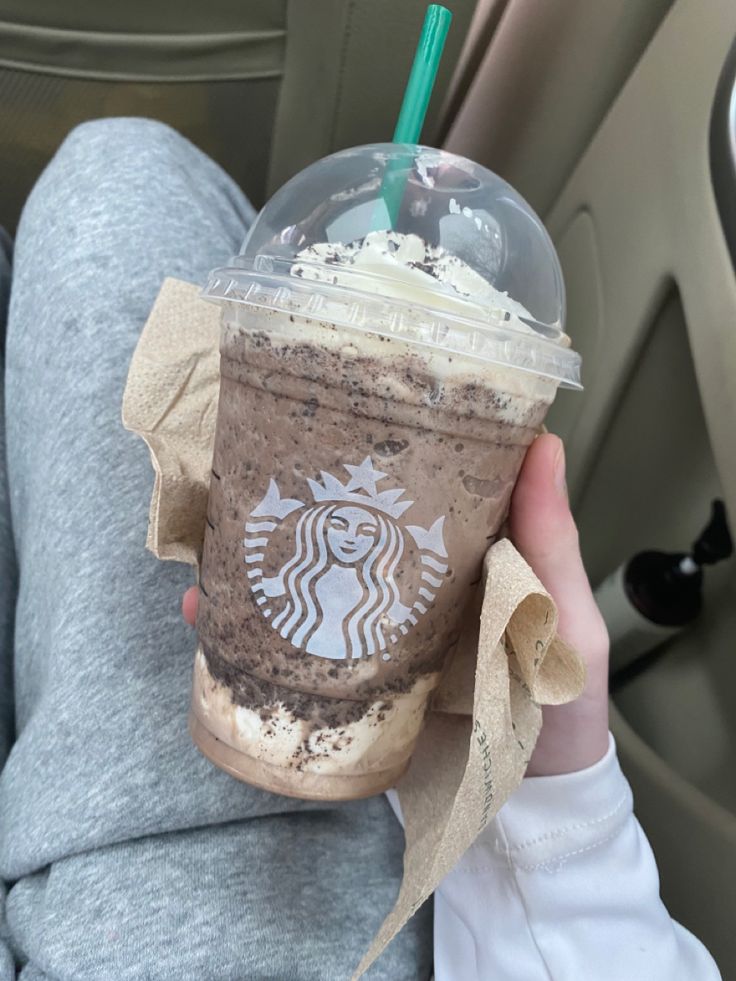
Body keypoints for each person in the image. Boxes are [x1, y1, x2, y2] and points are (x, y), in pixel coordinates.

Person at [0, 119, 720, 980]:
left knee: (116, 165)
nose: (344, 530)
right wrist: (561, 791)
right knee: (116, 165)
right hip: (441, 893)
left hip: (142, 915)